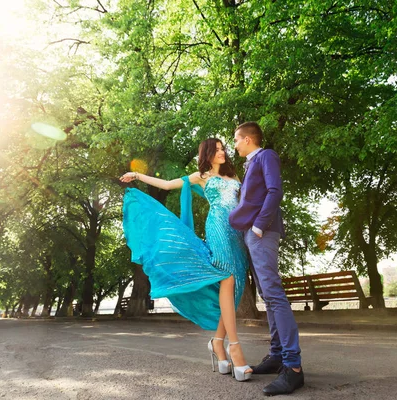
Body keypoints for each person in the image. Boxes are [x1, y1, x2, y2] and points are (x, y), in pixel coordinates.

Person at [120, 138, 252, 381]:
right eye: (218, 149)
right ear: (208, 153)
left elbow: (248, 204)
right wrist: (138, 176)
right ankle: (235, 348)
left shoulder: (235, 178)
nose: (223, 153)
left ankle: (217, 343)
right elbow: (169, 184)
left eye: (224, 149)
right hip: (219, 230)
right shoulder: (201, 176)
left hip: (238, 235)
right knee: (228, 279)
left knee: (234, 288)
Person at [229, 122, 304, 395]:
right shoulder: (250, 164)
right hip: (252, 233)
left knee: (273, 295)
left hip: (263, 231)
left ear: (247, 139)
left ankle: (293, 368)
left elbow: (275, 191)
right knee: (267, 295)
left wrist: (260, 225)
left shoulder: (266, 156)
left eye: (236, 140)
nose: (234, 145)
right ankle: (276, 357)